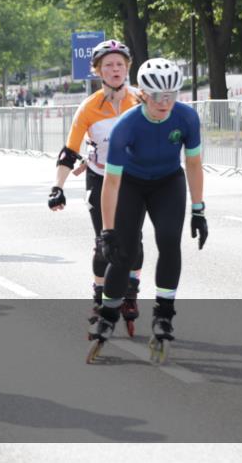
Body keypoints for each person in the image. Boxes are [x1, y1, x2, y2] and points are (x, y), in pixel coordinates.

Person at [86, 58, 208, 364]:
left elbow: (193, 164)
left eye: (171, 95)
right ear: (143, 94)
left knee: (168, 240)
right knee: (123, 251)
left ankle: (163, 315)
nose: (165, 103)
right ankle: (109, 313)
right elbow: (111, 183)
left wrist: (198, 209)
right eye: (157, 96)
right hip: (131, 184)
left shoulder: (187, 118)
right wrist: (107, 231)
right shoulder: (126, 126)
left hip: (168, 182)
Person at [49, 40, 144, 334]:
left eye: (119, 64)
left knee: (134, 240)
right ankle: (99, 297)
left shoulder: (140, 100)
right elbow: (69, 151)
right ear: (98, 71)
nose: (115, 70)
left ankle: (129, 295)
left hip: (133, 178)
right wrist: (58, 187)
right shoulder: (88, 108)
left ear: (127, 68)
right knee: (105, 242)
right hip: (100, 177)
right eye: (108, 65)